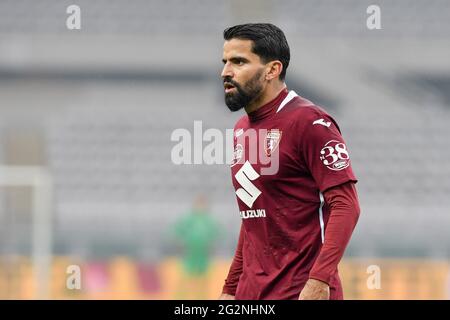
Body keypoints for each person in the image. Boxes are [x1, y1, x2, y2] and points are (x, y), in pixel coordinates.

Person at [218, 23, 360, 300]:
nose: (225, 72)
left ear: (272, 69)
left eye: (239, 61)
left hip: (300, 291)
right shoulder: (241, 129)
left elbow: (346, 205)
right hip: (252, 293)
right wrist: (231, 288)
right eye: (225, 62)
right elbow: (254, 217)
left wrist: (320, 280)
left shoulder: (310, 122)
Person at [173, 195, 220, 299]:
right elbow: (177, 232)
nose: (201, 207)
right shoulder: (189, 219)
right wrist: (181, 244)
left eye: (203, 204)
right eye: (199, 204)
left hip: (203, 255)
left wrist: (211, 247)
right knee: (186, 279)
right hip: (190, 254)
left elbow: (216, 235)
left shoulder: (209, 221)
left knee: (202, 282)